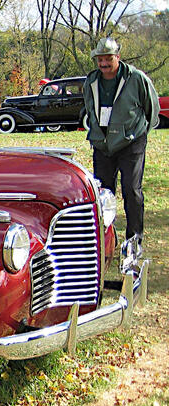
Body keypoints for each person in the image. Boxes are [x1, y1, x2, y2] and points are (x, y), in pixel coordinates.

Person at [83, 37, 159, 254]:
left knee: (131, 190)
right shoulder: (91, 81)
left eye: (108, 58)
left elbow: (151, 109)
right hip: (103, 144)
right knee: (103, 194)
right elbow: (89, 108)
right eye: (100, 59)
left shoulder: (136, 78)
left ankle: (134, 241)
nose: (104, 63)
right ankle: (107, 241)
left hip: (131, 144)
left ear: (117, 57)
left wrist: (137, 134)